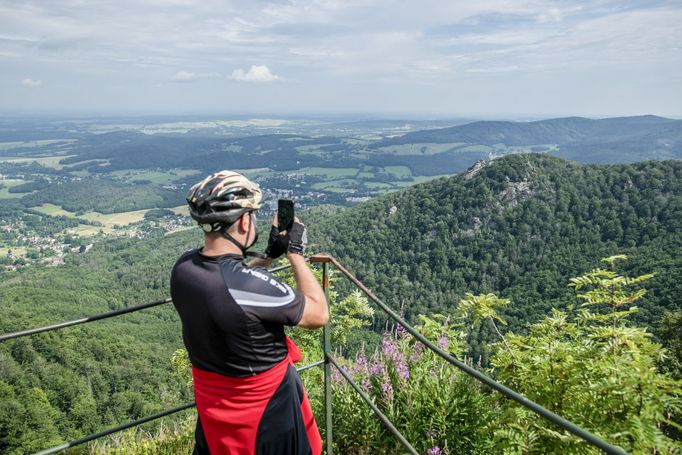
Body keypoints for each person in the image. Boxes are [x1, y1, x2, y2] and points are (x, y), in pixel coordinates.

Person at [170, 170, 329, 455]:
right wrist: (295, 254)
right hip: (266, 411)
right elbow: (318, 315)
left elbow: (229, 285)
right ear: (244, 221)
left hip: (215, 408)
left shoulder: (183, 270)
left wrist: (267, 256)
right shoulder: (245, 287)